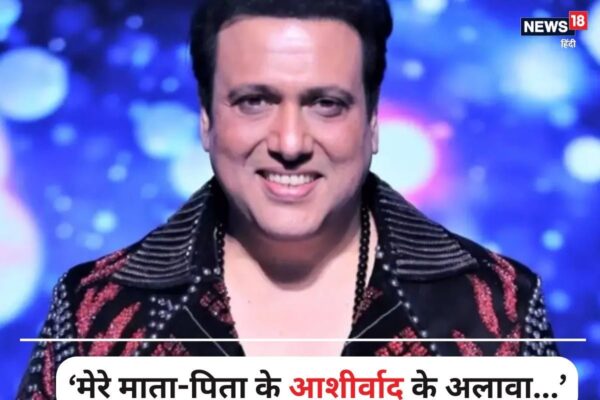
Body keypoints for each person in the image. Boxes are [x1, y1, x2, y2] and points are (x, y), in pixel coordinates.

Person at [18, 0, 557, 398]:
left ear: (372, 123)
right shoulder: (96, 309)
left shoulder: (500, 306)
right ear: (206, 120)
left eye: (326, 104)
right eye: (255, 101)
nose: (291, 143)